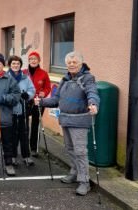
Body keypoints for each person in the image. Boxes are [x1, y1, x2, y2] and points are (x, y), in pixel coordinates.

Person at [34, 51, 99, 196]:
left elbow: (92, 92)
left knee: (80, 151)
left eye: (74, 62)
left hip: (80, 120)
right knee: (69, 149)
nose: (71, 65)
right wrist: (42, 102)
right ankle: (74, 172)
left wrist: (93, 103)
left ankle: (84, 182)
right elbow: (56, 99)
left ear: (81, 63)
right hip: (65, 119)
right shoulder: (64, 80)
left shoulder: (87, 78)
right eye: (69, 63)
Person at [6, 55, 36, 166]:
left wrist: (27, 95)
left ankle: (26, 156)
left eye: (17, 63)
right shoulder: (6, 77)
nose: (15, 65)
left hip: (23, 109)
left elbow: (32, 90)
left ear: (20, 65)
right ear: (10, 65)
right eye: (13, 63)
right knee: (12, 134)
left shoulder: (25, 78)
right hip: (10, 110)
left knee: (24, 133)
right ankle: (13, 156)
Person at [25, 51, 51, 157]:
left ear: (39, 60)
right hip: (26, 102)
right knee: (24, 125)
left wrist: (44, 93)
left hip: (38, 101)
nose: (33, 61)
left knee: (36, 124)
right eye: (31, 59)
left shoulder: (43, 73)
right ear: (29, 61)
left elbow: (48, 87)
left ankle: (34, 148)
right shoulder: (24, 72)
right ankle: (24, 146)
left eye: (35, 59)